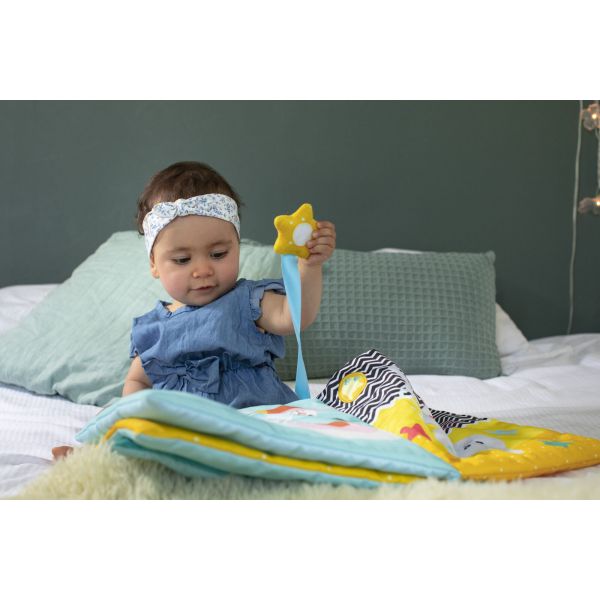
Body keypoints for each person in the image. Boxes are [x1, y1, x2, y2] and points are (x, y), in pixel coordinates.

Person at [52, 161, 336, 460]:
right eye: (182, 260)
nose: (202, 270)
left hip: (250, 418)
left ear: (237, 247)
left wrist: (309, 267)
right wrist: (138, 417)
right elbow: (138, 381)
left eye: (218, 254)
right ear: (154, 264)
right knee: (127, 433)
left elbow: (295, 317)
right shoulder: (154, 328)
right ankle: (99, 457)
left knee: (283, 449)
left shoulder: (248, 300)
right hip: (181, 427)